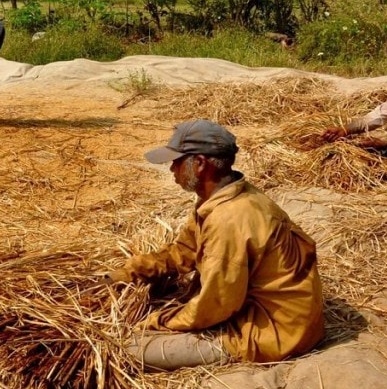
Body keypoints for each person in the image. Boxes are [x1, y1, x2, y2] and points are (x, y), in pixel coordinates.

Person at [105, 119, 325, 370]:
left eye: (176, 162)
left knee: (127, 351)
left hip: (277, 332)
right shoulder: (228, 196)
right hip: (287, 316)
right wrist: (130, 272)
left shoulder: (228, 220)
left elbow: (216, 306)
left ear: (199, 164)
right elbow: (184, 251)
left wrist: (157, 320)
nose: (172, 170)